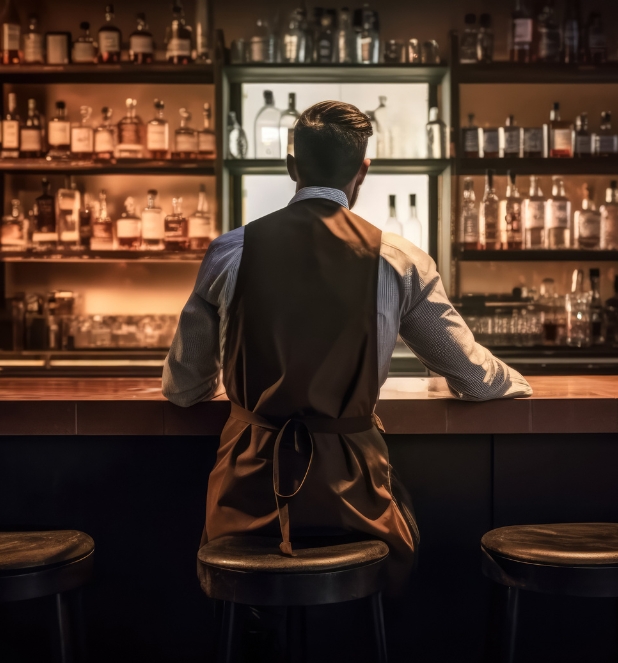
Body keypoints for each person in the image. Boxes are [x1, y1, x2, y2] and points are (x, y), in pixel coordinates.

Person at [162, 100, 532, 591]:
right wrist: (525, 382)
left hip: (245, 497)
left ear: (291, 165)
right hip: (356, 501)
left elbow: (185, 389)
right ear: (364, 169)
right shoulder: (400, 260)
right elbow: (472, 377)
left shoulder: (230, 251)